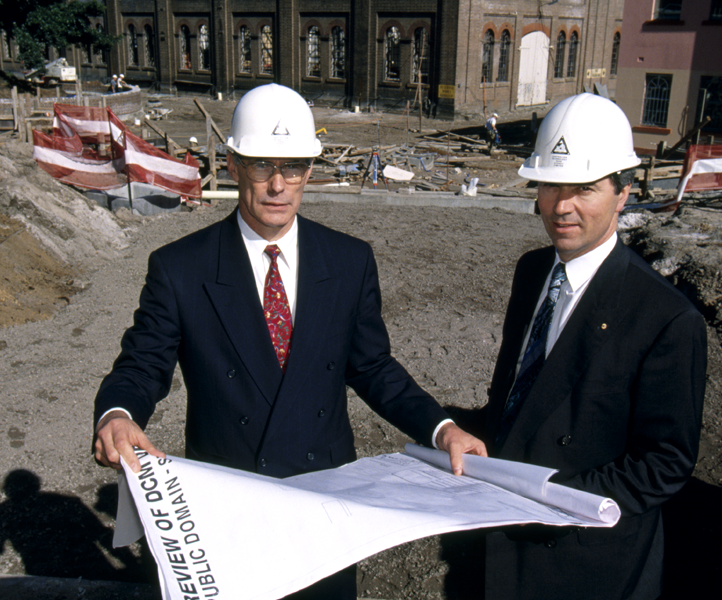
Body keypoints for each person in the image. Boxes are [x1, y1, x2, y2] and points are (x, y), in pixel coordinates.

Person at [93, 83, 486, 600]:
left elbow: (373, 367)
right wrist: (117, 413)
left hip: (322, 501)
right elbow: (144, 364)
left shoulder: (348, 261)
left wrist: (441, 428)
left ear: (309, 171)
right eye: (262, 166)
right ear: (233, 164)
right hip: (229, 500)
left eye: (293, 167)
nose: (278, 185)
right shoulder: (181, 268)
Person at [480, 93, 706, 600]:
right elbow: (517, 398)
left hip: (587, 564)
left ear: (623, 192)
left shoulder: (666, 319)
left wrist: (550, 500)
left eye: (584, 188)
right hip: (505, 536)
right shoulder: (532, 271)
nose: (562, 206)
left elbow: (665, 462)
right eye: (550, 186)